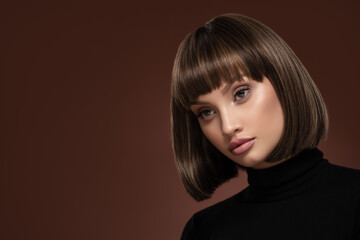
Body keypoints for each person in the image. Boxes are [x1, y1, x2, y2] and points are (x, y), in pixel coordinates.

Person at [170, 14, 360, 239]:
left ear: (284, 80)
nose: (228, 127)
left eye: (241, 93)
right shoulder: (204, 231)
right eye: (206, 112)